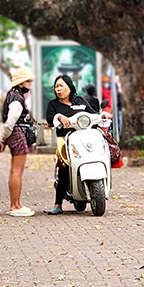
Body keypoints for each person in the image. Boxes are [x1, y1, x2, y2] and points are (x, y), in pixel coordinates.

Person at [44, 75, 96, 215]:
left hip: (84, 139)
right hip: (65, 140)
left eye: (61, 85)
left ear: (70, 86)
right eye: (56, 86)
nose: (59, 89)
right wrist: (59, 117)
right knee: (64, 167)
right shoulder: (53, 104)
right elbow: (49, 118)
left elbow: (93, 113)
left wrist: (103, 116)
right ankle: (58, 204)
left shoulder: (80, 101)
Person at [0, 68, 35, 217]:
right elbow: (10, 122)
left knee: (15, 171)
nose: (29, 84)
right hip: (18, 134)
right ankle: (15, 206)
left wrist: (4, 138)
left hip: (14, 134)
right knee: (17, 172)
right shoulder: (17, 99)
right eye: (27, 81)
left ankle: (16, 204)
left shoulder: (13, 95)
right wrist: (3, 138)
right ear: (20, 83)